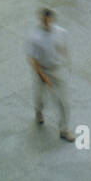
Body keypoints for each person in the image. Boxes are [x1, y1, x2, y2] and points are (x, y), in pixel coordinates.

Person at [27, 8, 74, 141]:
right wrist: (44, 77)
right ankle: (39, 110)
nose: (46, 23)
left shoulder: (61, 32)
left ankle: (64, 129)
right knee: (40, 96)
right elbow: (33, 60)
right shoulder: (35, 38)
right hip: (41, 70)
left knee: (64, 102)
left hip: (56, 69)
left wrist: (66, 65)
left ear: (52, 19)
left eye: (48, 20)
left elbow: (63, 48)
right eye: (44, 20)